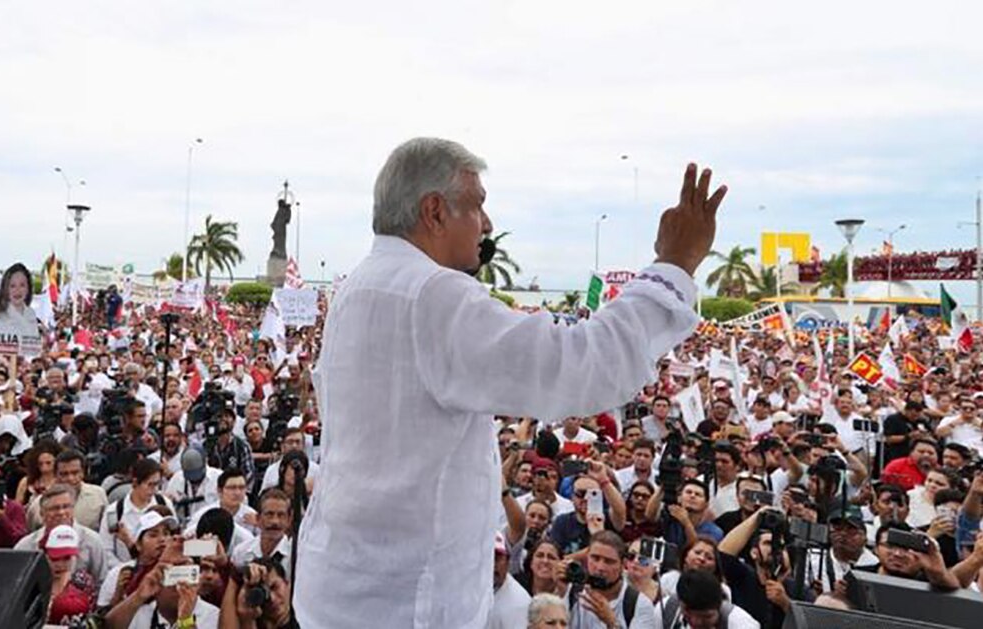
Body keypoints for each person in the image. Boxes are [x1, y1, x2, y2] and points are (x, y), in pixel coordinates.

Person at [295, 139, 724, 627]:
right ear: (434, 211)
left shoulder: (357, 287)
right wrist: (675, 263)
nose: (487, 223)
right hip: (404, 604)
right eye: (477, 205)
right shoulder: (432, 294)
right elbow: (580, 364)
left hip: (343, 588)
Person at [15, 483, 109, 582]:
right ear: (42, 513)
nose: (61, 512)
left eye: (66, 507)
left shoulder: (92, 541)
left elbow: (102, 580)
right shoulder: (26, 546)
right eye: (54, 508)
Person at [564, 531, 656, 629]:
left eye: (609, 562)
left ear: (622, 565)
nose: (600, 567)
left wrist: (612, 622)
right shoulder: (571, 593)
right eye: (595, 558)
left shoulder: (639, 605)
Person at [96, 508, 178, 611]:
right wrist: (119, 593)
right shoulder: (119, 573)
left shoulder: (178, 572)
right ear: (139, 545)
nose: (162, 539)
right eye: (153, 535)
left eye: (166, 533)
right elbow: (102, 615)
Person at [105, 556, 221, 629]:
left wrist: (186, 620)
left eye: (185, 574)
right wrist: (138, 595)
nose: (178, 584)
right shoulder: (139, 613)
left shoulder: (213, 616)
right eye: (173, 575)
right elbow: (106, 627)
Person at [99, 458, 173, 564]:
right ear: (135, 483)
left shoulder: (164, 503)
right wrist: (124, 570)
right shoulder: (114, 511)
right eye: (150, 484)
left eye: (157, 484)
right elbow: (106, 551)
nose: (155, 490)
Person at [550, 463, 626, 557]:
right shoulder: (562, 521)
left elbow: (620, 510)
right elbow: (555, 558)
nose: (586, 499)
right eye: (581, 494)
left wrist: (604, 481)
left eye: (592, 494)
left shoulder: (607, 518)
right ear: (572, 497)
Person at [27, 448, 108, 531]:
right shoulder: (39, 504)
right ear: (55, 475)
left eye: (75, 473)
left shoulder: (98, 495)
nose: (70, 478)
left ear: (83, 472)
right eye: (64, 474)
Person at [659, 569, 759, 628]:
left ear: (719, 606)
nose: (696, 622)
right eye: (688, 614)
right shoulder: (666, 608)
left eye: (706, 617)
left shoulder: (741, 623)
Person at [231, 487, 293, 579]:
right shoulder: (241, 552)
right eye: (269, 514)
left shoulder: (295, 555)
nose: (275, 521)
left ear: (289, 520)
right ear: (258, 518)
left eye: (281, 515)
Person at [44, 524, 98, 626]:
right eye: (55, 559)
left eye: (66, 558)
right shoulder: (36, 580)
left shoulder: (83, 582)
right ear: (46, 556)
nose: (60, 564)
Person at [0, 262, 41, 354]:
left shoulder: (31, 314)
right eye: (12, 286)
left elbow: (33, 350)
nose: (17, 290)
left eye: (22, 285)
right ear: (5, 289)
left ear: (28, 288)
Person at [489, 532, 532, 628]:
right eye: (488, 558)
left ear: (507, 562)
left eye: (497, 558)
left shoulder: (520, 601)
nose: (492, 564)